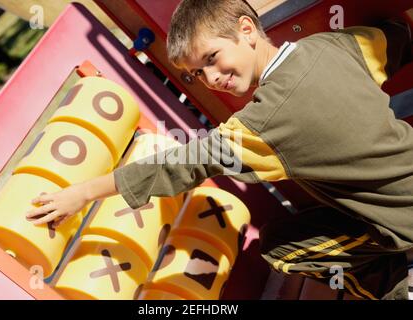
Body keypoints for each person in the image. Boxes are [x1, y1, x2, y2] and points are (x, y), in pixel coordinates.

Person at [25, 0, 413, 299]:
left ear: (247, 29)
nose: (210, 79)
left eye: (212, 58)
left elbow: (178, 166)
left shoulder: (260, 127)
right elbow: (397, 36)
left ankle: (399, 283)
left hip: (401, 225)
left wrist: (82, 192)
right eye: (196, 74)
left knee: (279, 249)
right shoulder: (334, 46)